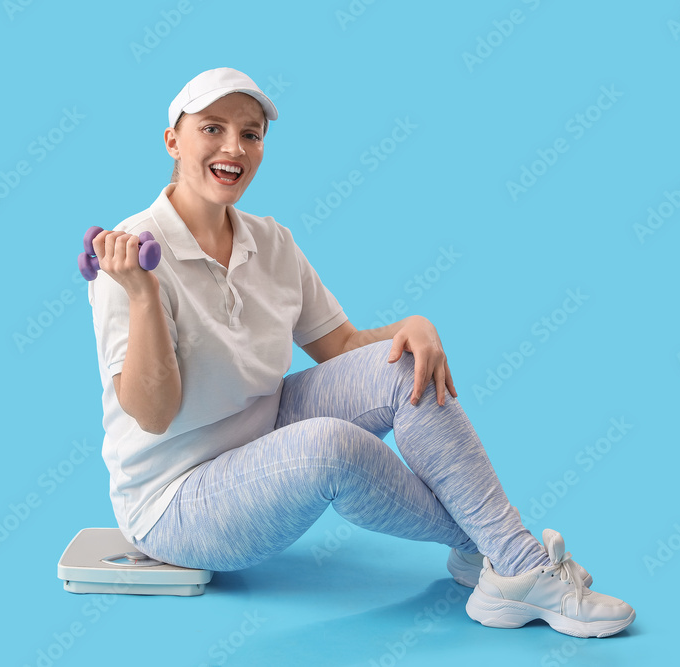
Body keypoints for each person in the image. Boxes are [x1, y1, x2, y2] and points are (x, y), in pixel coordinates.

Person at [86, 67, 635, 638]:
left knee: (403, 364)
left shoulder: (271, 241)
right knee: (329, 447)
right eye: (212, 128)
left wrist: (412, 325)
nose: (233, 148)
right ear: (173, 140)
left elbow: (341, 347)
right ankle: (509, 558)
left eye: (250, 134)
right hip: (175, 500)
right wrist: (144, 294)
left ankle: (501, 560)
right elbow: (152, 415)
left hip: (261, 430)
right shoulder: (129, 255)